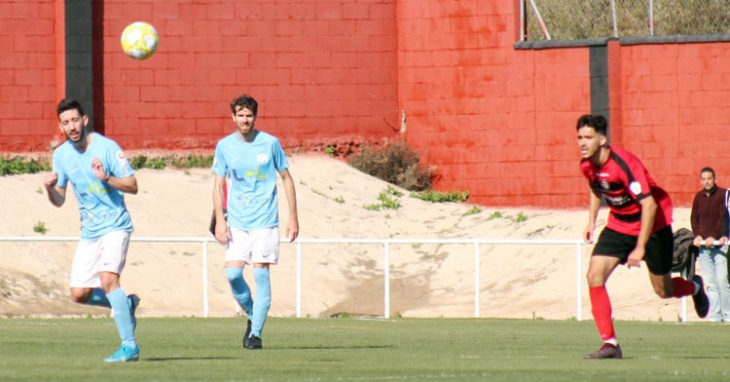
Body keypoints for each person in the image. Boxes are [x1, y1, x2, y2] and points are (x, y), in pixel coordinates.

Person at [576, 114, 709, 359]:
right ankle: (611, 344)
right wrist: (591, 221)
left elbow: (649, 205)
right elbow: (596, 188)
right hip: (619, 225)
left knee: (663, 290)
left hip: (653, 228)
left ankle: (695, 286)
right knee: (594, 275)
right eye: (579, 138)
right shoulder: (587, 165)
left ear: (602, 139)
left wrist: (639, 248)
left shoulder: (624, 165)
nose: (582, 143)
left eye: (588, 137)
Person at [43, 99, 141, 362]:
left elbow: (133, 185)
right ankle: (125, 303)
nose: (71, 126)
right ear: (61, 126)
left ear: (85, 120)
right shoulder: (61, 155)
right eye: (66, 122)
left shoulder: (106, 148)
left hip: (115, 225)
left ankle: (129, 346)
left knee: (109, 280)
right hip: (90, 231)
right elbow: (60, 200)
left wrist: (106, 179)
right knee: (79, 294)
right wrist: (50, 187)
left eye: (75, 120)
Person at [211, 94, 299, 350]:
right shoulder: (225, 146)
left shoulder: (270, 143)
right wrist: (220, 220)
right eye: (240, 115)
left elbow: (286, 178)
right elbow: (218, 184)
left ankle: (255, 334)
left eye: (249, 115)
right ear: (233, 117)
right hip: (237, 222)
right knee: (233, 274)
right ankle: (253, 315)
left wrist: (293, 216)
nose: (245, 119)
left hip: (265, 221)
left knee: (261, 275)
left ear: (255, 117)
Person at [691, 167, 730, 322]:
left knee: (722, 281)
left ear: (715, 179)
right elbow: (694, 218)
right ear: (701, 181)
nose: (707, 182)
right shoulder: (698, 197)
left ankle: (727, 315)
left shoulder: (723, 195)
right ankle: (715, 316)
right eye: (704, 179)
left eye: (709, 178)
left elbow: (724, 218)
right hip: (704, 247)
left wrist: (718, 237)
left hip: (719, 245)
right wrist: (697, 235)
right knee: (711, 283)